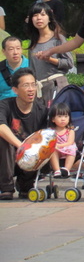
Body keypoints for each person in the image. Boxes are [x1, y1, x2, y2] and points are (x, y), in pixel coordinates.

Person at [0, 68, 47, 200]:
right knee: (4, 140)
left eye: (33, 84)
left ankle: (25, 184)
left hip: (30, 158)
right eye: (26, 85)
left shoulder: (41, 109)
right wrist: (21, 146)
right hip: (7, 157)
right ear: (15, 90)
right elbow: (1, 126)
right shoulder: (5, 105)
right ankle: (6, 187)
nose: (31, 89)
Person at [26, 2, 73, 104]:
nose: (39, 18)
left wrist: (49, 59)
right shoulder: (32, 43)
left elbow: (69, 63)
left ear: (49, 18)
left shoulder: (58, 39)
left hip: (57, 85)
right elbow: (32, 69)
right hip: (40, 88)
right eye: (35, 15)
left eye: (43, 15)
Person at [48, 102, 76, 179]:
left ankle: (66, 169)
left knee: (72, 148)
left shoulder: (70, 131)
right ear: (53, 119)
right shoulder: (51, 131)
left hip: (67, 150)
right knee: (52, 149)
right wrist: (55, 146)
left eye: (66, 116)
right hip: (56, 151)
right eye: (59, 116)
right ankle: (57, 170)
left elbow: (70, 142)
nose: (63, 119)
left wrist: (59, 145)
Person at [0, 36, 29, 100]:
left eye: (18, 48)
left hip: (26, 105)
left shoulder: (31, 65)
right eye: (11, 49)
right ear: (3, 51)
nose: (15, 52)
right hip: (3, 107)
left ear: (21, 49)